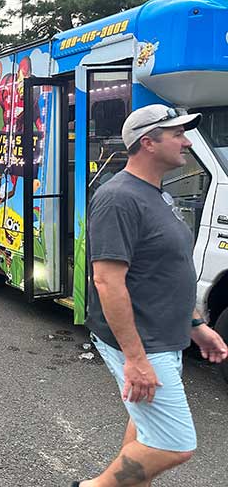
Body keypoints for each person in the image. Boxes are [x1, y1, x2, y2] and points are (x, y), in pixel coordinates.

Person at [76, 105, 228, 487]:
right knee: (176, 444)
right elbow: (108, 282)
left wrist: (196, 326)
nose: (187, 141)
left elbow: (165, 273)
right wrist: (136, 359)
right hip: (145, 342)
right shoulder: (118, 198)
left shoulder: (156, 195)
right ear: (148, 142)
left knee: (147, 429)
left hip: (163, 336)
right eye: (177, 134)